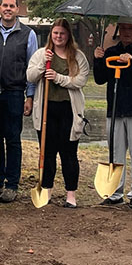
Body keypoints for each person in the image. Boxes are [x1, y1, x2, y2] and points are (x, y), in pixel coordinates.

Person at [26, 18, 90, 208]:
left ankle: (71, 194)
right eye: (55, 33)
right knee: (47, 152)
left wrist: (58, 77)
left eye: (62, 33)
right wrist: (42, 65)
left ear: (68, 35)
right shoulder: (41, 54)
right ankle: (46, 190)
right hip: (46, 110)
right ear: (50, 35)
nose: (58, 36)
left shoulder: (78, 57)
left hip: (69, 111)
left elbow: (80, 81)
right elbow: (29, 76)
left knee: (69, 153)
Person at [93, 17, 132, 209]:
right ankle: (115, 193)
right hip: (116, 109)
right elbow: (99, 79)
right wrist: (97, 59)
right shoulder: (111, 52)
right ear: (118, 31)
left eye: (131, 29)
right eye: (123, 29)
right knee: (115, 153)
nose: (127, 32)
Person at [0, 0, 38, 203]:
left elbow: (33, 67)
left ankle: (12, 184)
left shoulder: (28, 34)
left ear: (18, 9)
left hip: (15, 93)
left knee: (13, 140)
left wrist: (30, 96)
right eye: (4, 5)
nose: (8, 9)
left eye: (12, 6)